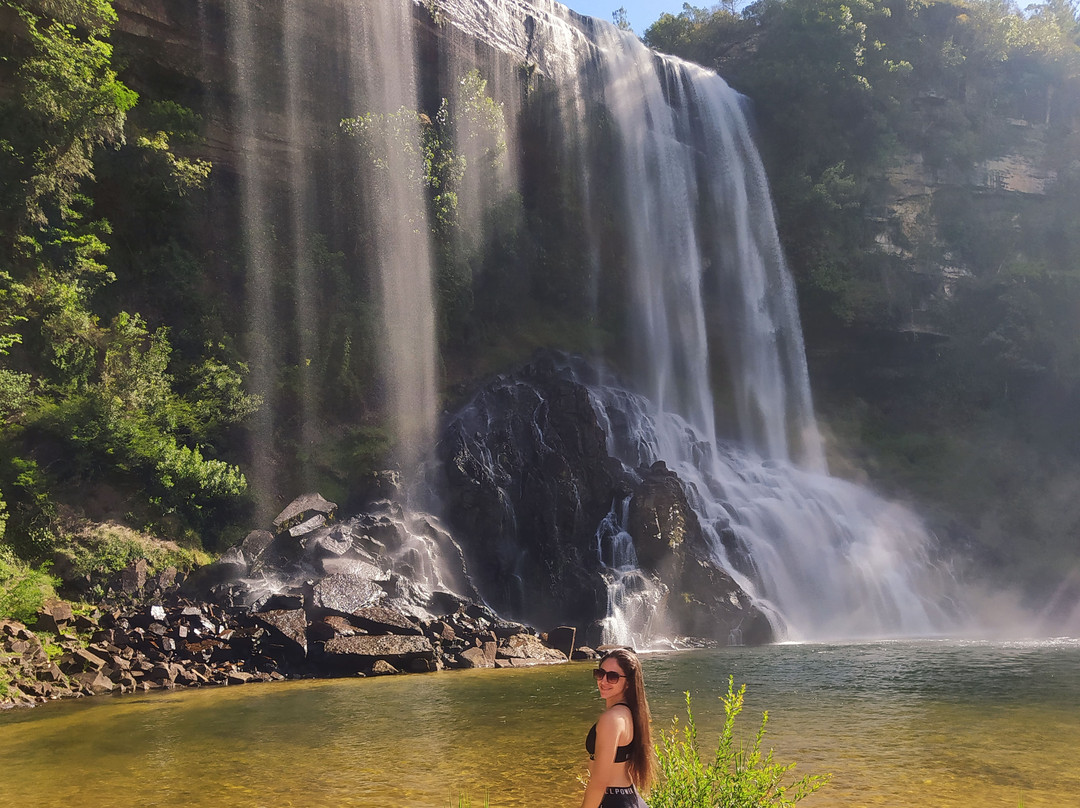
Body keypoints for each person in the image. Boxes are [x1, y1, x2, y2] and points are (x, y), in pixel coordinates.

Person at [579, 648, 655, 808]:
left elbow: (599, 782)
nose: (603, 681)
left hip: (613, 801)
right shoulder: (630, 713)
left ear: (628, 682)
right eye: (600, 673)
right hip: (629, 797)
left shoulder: (612, 719)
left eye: (612, 677)